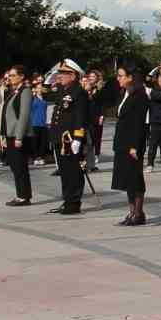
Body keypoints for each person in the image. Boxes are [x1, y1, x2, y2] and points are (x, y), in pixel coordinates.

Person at [48, 60, 91, 215]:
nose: (59, 76)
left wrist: (78, 139)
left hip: (71, 139)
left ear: (73, 75)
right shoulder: (63, 90)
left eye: (63, 73)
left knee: (74, 171)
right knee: (64, 171)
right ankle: (67, 200)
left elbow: (81, 117)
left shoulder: (79, 92)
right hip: (61, 138)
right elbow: (48, 91)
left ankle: (73, 202)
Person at [110, 63, 148, 226]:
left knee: (135, 178)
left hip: (133, 143)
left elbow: (138, 123)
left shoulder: (140, 95)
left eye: (121, 75)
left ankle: (138, 213)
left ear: (130, 77)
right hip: (122, 142)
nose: (118, 78)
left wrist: (134, 145)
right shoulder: (124, 93)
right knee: (126, 178)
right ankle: (132, 211)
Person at [0, 65, 35, 207]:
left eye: (13, 75)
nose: (10, 78)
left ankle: (24, 196)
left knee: (20, 166)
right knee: (15, 166)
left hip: (19, 135)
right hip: (10, 134)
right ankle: (20, 194)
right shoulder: (13, 92)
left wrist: (19, 136)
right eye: (9, 76)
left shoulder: (25, 92)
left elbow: (23, 115)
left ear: (21, 76)